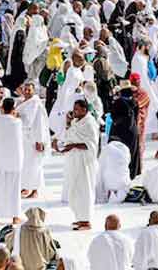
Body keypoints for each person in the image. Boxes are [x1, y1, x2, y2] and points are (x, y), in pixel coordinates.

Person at [55, 98, 98, 230]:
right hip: (74, 161)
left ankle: (86, 221)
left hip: (84, 162)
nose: (74, 111)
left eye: (77, 109)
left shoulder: (90, 123)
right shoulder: (75, 121)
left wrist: (74, 146)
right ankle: (80, 218)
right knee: (75, 189)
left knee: (84, 190)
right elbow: (69, 136)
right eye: (74, 109)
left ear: (84, 110)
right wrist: (68, 123)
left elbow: (92, 144)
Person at [0, 97, 23, 225]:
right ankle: (15, 216)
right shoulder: (17, 122)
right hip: (14, 158)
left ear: (2, 108)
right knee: (14, 188)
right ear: (13, 109)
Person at [16, 80, 48, 198]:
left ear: (34, 91)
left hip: (33, 139)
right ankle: (25, 186)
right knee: (25, 164)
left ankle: (35, 190)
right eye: (25, 89)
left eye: (29, 90)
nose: (27, 92)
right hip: (23, 139)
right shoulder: (22, 102)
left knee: (35, 165)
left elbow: (38, 123)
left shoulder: (35, 103)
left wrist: (40, 140)